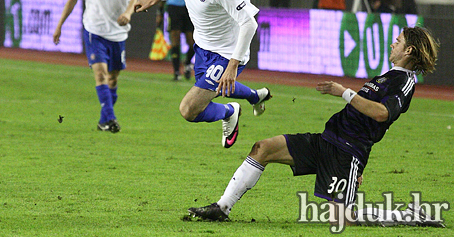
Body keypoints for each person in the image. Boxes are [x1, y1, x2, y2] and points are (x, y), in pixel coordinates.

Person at [188, 26, 442, 229]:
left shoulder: (404, 82)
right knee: (262, 148)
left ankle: (409, 216)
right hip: (325, 142)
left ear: (408, 50)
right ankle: (221, 208)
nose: (392, 44)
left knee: (342, 219)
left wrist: (344, 93)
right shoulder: (387, 76)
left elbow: (381, 114)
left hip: (346, 154)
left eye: (397, 41)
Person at [135, 0, 271, 149]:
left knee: (189, 109)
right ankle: (256, 96)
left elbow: (249, 23)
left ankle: (230, 111)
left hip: (225, 55)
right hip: (203, 49)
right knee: (216, 87)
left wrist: (232, 66)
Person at [53, 0, 142, 133]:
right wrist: (59, 25)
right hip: (94, 31)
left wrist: (128, 13)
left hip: (118, 34)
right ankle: (111, 119)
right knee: (100, 75)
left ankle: (103, 120)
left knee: (113, 79)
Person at [157, 0, 195, 81]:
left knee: (193, 42)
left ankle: (187, 63)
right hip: (173, 8)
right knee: (175, 39)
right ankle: (176, 72)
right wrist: (159, 13)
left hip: (189, 8)